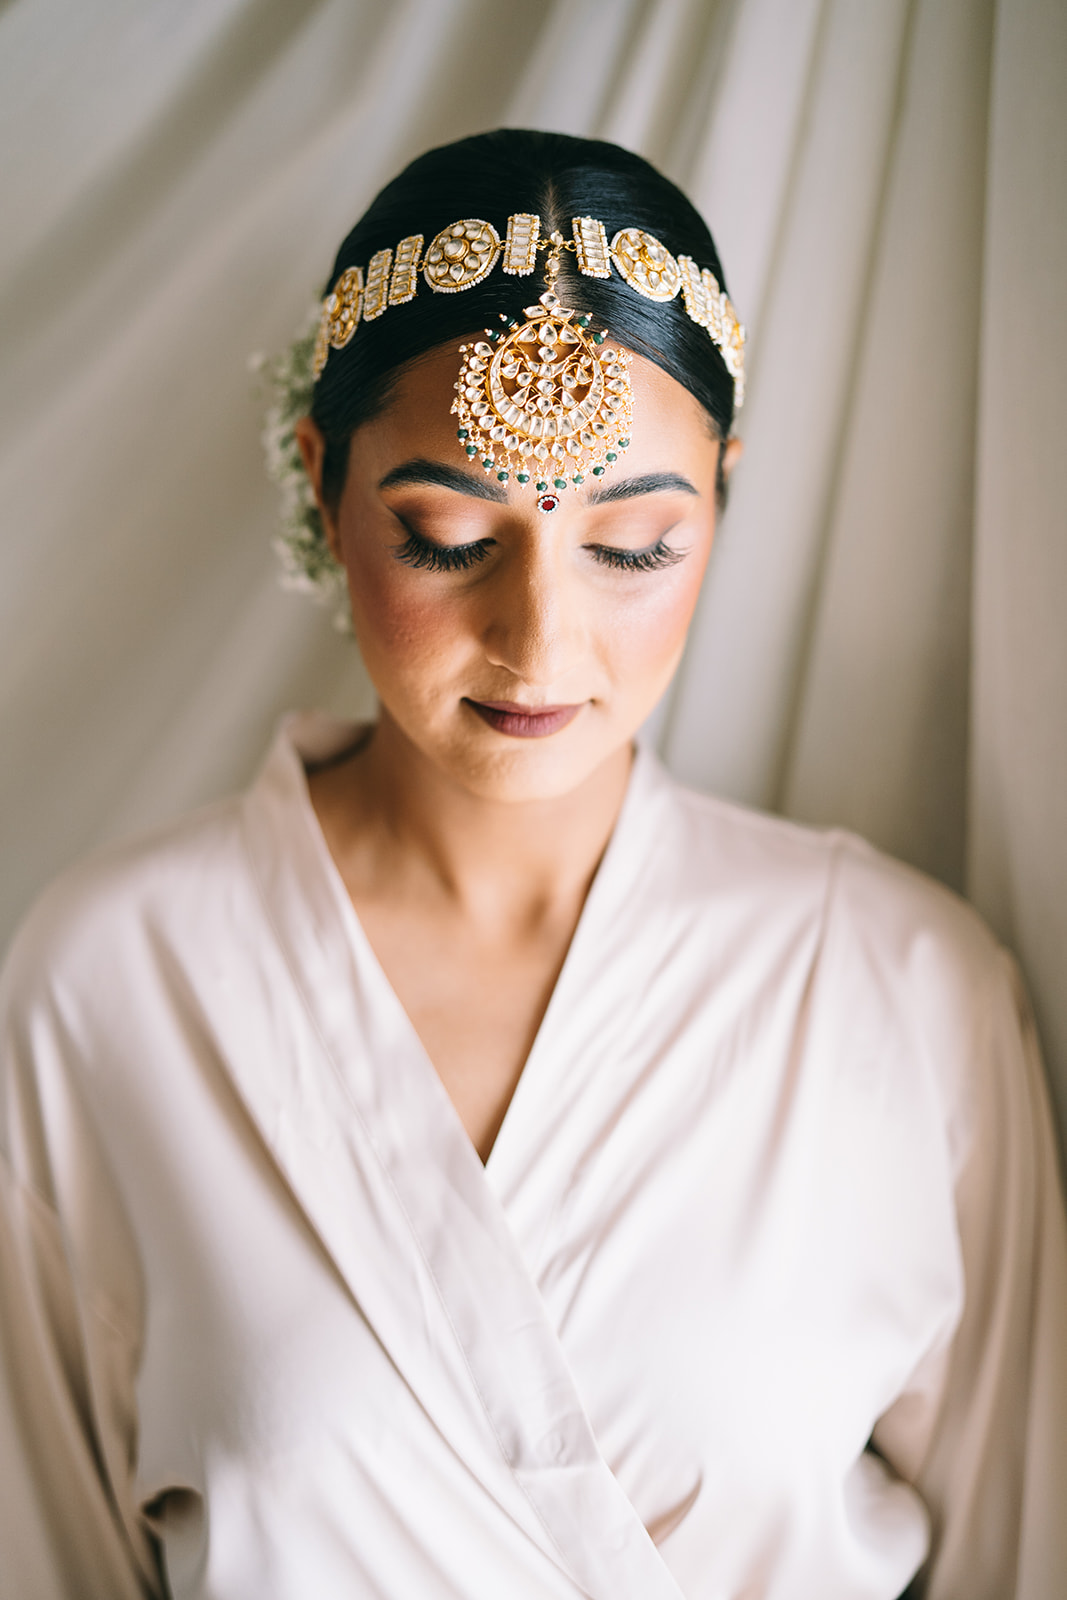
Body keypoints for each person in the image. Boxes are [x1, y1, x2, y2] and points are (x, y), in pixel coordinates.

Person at [1, 129, 1065, 1600]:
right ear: (322, 483)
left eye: (633, 545)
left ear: (723, 501)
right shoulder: (109, 983)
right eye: (445, 536)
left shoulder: (901, 988)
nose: (542, 644)